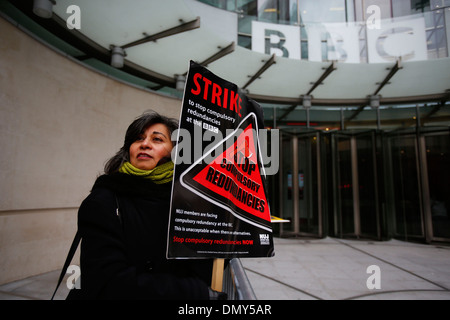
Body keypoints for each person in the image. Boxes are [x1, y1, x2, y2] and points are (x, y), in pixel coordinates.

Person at [75, 110, 224, 299]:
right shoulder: (103, 202)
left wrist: (223, 234)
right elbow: (108, 283)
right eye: (138, 139)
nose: (145, 144)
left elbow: (200, 268)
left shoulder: (188, 204)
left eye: (157, 139)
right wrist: (196, 293)